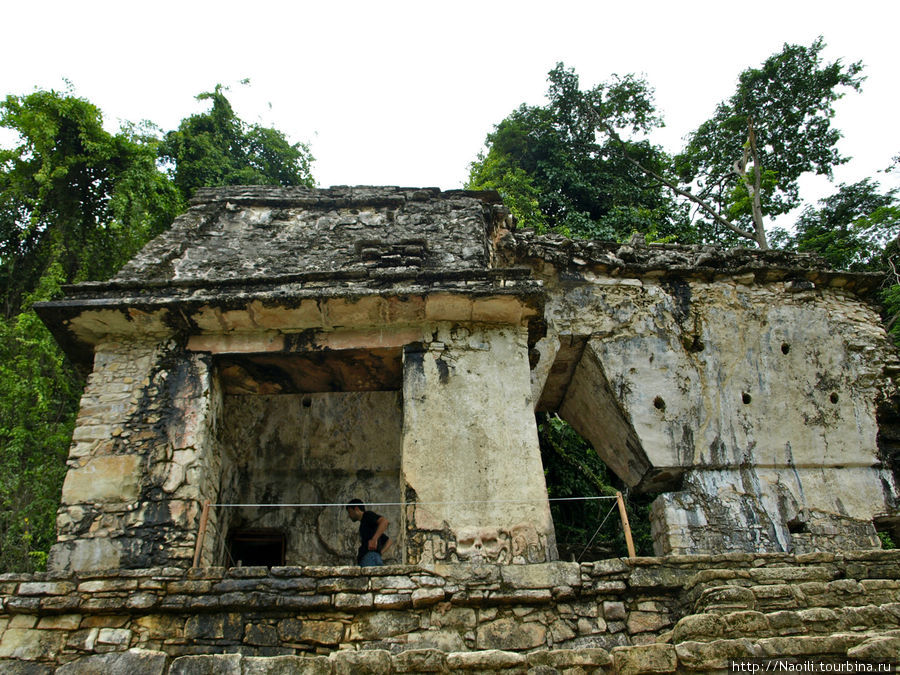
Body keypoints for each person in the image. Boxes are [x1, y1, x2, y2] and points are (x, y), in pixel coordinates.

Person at [345, 498, 391, 566]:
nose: (349, 515)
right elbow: (389, 541)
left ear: (356, 509)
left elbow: (384, 521)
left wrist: (374, 540)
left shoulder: (367, 516)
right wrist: (379, 553)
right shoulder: (369, 526)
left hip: (369, 558)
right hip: (372, 557)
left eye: (350, 512)